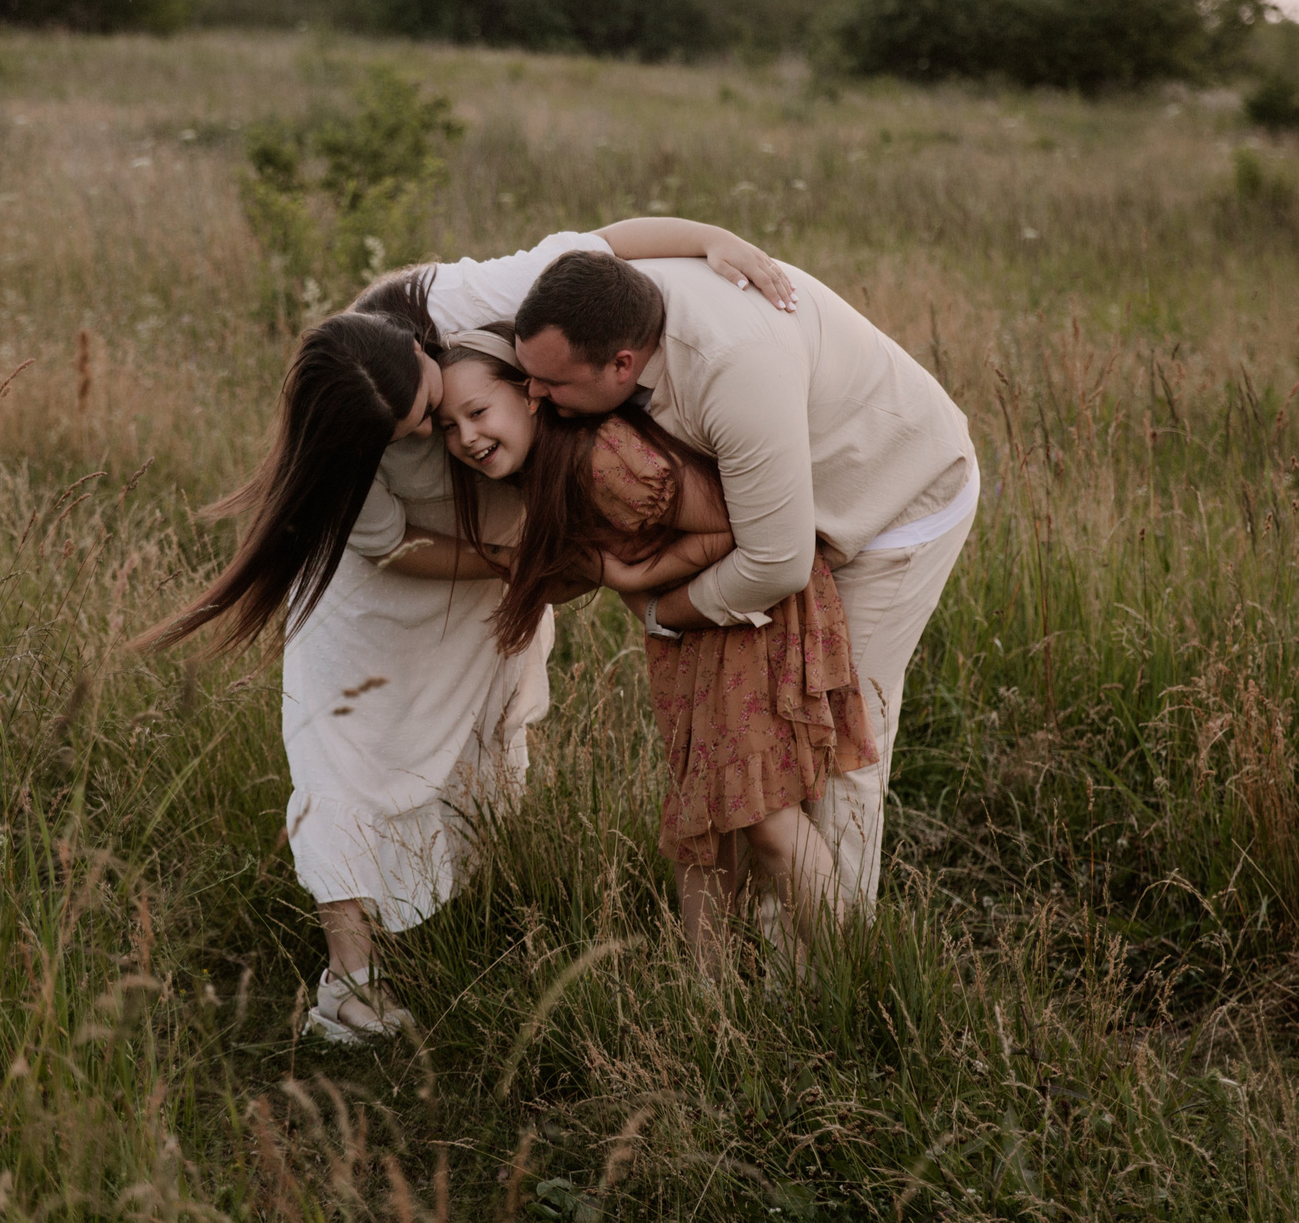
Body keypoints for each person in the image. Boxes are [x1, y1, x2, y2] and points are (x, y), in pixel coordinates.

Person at [140, 220, 790, 1043]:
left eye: (434, 406)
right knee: (347, 753)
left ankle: (470, 924)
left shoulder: (456, 303)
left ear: (420, 345)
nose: (432, 431)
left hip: (489, 575)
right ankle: (349, 986)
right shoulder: (349, 433)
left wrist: (710, 238)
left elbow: (590, 248)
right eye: (414, 433)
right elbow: (389, 543)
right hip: (394, 578)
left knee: (482, 741)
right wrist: (523, 560)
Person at [511, 249, 978, 907]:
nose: (531, 394)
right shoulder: (601, 302)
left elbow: (775, 562)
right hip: (787, 518)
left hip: (894, 500)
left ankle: (836, 972)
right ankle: (768, 932)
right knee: (773, 743)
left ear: (621, 365)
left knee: (842, 739)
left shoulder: (733, 369)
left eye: (549, 383)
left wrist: (662, 612)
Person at [431, 329, 876, 972]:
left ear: (530, 395)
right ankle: (710, 997)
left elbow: (738, 522)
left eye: (478, 412)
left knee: (768, 822)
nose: (467, 437)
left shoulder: (599, 458)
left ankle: (853, 986)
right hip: (689, 628)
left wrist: (638, 581)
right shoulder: (545, 470)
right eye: (449, 426)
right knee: (703, 822)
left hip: (747, 611)